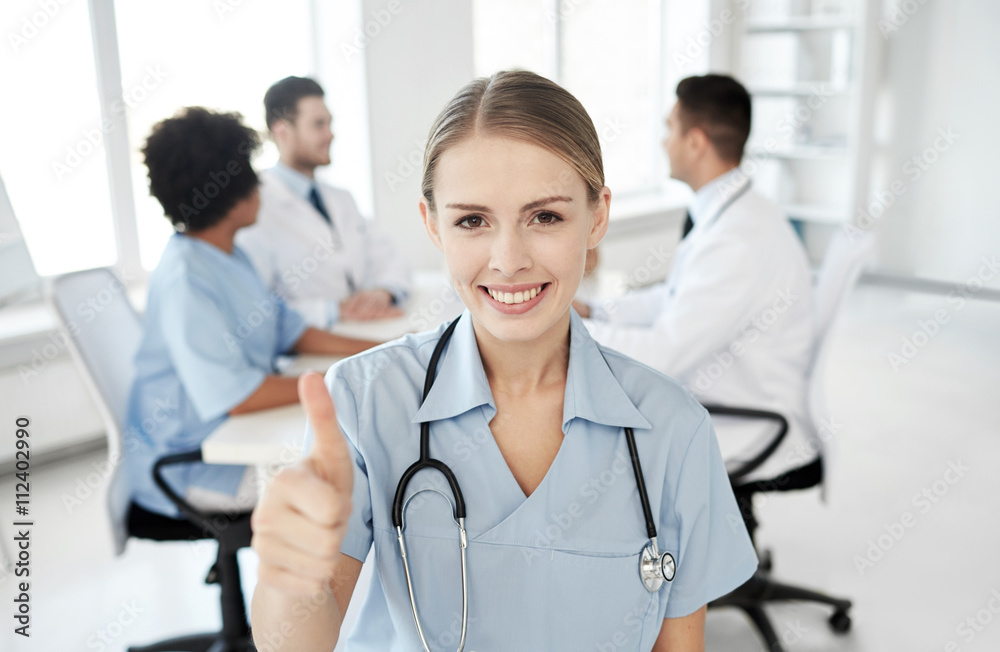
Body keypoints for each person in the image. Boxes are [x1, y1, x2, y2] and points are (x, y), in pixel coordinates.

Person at [249, 71, 758, 651]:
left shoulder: (673, 429)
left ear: (596, 218)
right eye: (472, 220)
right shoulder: (366, 401)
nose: (508, 260)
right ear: (432, 225)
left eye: (545, 217)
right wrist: (289, 577)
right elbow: (294, 644)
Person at [125, 107, 380, 518]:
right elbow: (241, 397)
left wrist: (381, 352)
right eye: (248, 172)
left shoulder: (228, 254)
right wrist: (343, 381)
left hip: (237, 437)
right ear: (228, 191)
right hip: (201, 464)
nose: (259, 183)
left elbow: (291, 331)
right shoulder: (186, 279)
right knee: (355, 477)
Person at [576, 74, 815, 484]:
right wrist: (595, 310)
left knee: (589, 437)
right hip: (734, 391)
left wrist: (571, 329)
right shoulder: (739, 213)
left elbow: (662, 356)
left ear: (696, 142)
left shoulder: (735, 241)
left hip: (746, 418)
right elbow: (674, 298)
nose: (663, 142)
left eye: (670, 128)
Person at [235, 76, 411, 329]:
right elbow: (256, 305)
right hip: (310, 344)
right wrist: (333, 310)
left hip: (367, 329)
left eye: (330, 123)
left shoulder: (341, 199)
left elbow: (390, 256)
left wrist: (384, 291)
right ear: (282, 132)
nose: (330, 135)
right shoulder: (255, 205)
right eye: (318, 125)